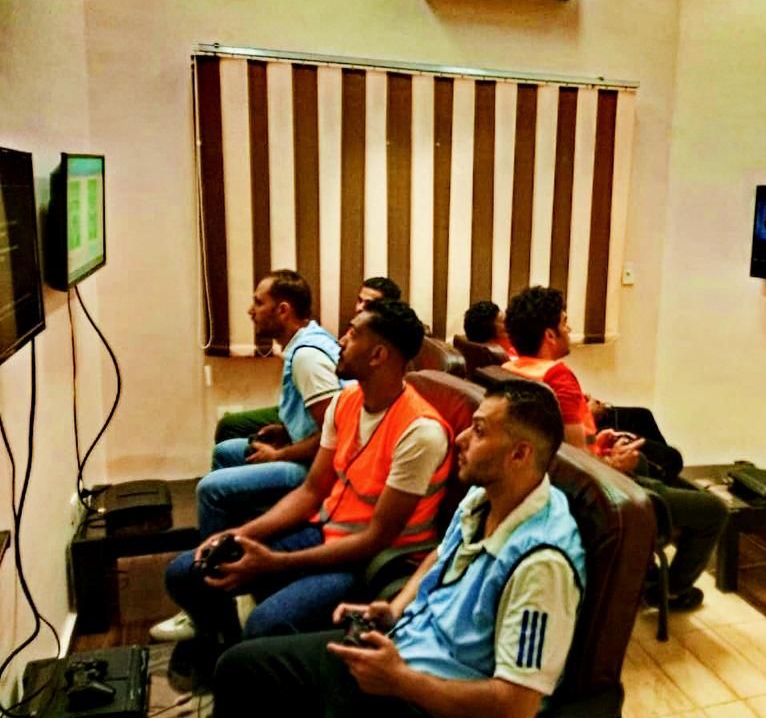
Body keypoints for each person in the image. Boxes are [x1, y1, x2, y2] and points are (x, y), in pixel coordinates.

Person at [213, 380, 585, 718]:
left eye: (479, 431)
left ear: (519, 455)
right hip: (404, 648)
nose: (460, 438)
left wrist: (401, 681)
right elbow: (441, 555)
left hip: (423, 696)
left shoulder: (542, 564)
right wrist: (395, 608)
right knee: (239, 668)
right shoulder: (486, 494)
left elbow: (517, 705)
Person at [163, 299, 453, 662]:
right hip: (325, 530)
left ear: (378, 355)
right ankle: (227, 649)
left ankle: (248, 659)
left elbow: (375, 539)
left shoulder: (420, 432)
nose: (341, 341)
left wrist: (275, 562)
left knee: (266, 624)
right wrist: (239, 534)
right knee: (184, 573)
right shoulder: (347, 401)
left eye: (353, 334)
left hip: (369, 561)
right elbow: (312, 489)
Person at [502, 286, 726, 611]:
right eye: (564, 323)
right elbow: (576, 466)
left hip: (548, 482)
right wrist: (613, 464)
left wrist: (596, 443)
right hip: (591, 495)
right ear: (550, 334)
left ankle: (645, 565)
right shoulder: (558, 380)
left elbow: (559, 445)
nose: (569, 329)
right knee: (714, 510)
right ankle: (669, 591)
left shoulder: (511, 369)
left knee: (649, 462)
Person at [152, 270, 343, 641]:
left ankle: (214, 607)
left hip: (318, 468)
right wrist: (285, 431)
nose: (250, 310)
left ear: (283, 309)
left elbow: (334, 434)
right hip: (306, 451)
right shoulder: (304, 342)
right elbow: (317, 419)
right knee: (227, 452)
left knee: (211, 489)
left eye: (259, 302)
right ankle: (229, 568)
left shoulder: (307, 357)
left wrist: (279, 455)